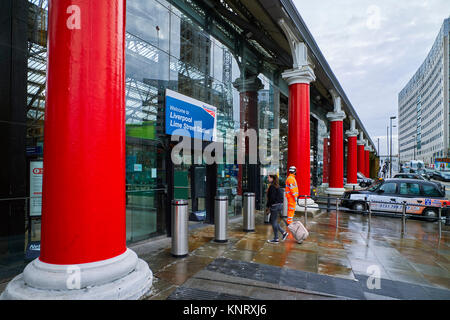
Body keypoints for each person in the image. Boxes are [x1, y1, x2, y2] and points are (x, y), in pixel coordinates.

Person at [266, 174, 288, 243]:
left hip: (274, 206)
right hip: (279, 205)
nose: (267, 178)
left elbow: (271, 198)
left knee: (273, 221)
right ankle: (283, 233)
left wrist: (268, 207)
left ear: (272, 178)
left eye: (268, 177)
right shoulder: (277, 186)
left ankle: (276, 238)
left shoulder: (272, 187)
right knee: (273, 221)